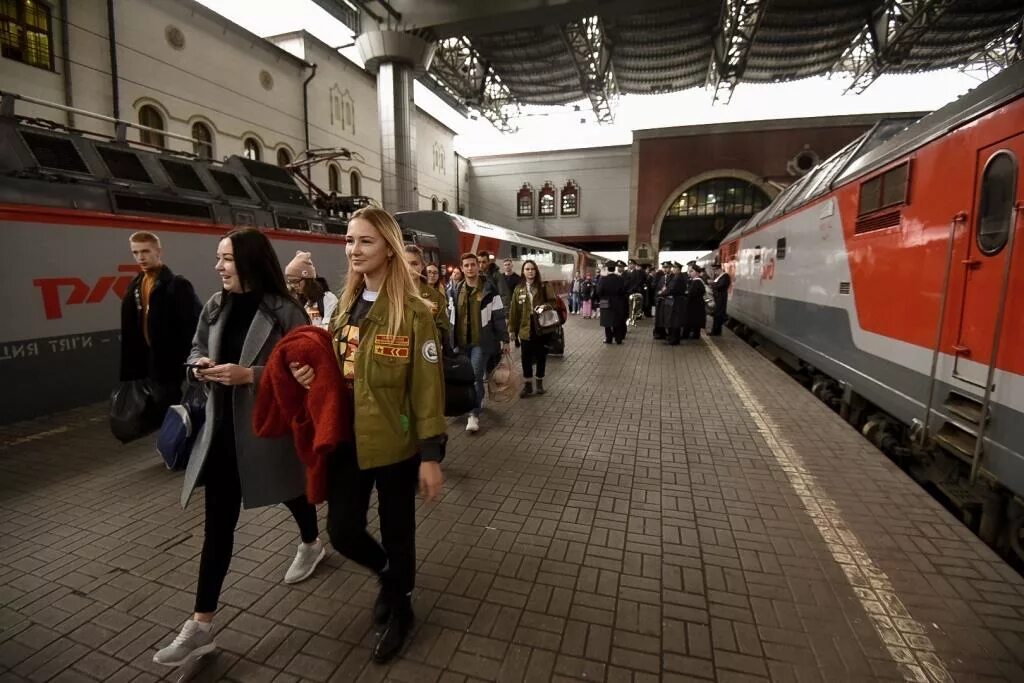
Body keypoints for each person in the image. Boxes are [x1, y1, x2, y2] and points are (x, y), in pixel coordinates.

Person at [154, 229, 322, 668]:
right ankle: (201, 627)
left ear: (249, 261)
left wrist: (251, 376)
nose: (218, 267)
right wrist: (197, 366)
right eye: (218, 258)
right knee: (217, 528)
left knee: (291, 492)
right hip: (221, 434)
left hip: (267, 429)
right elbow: (195, 347)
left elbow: (308, 369)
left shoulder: (285, 310)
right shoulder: (215, 305)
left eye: (226, 259)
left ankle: (311, 542)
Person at [290, 207, 447, 663]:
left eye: (365, 241)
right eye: (349, 240)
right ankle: (390, 578)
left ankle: (401, 610)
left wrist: (430, 454)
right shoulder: (344, 307)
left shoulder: (415, 313)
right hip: (347, 439)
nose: (353, 250)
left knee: (398, 532)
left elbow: (427, 388)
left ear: (389, 249)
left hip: (396, 442)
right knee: (342, 531)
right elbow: (336, 368)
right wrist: (310, 376)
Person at [119, 231, 201, 409]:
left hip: (171, 364)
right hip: (147, 364)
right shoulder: (136, 285)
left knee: (171, 410)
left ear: (158, 251)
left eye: (145, 251)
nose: (140, 257)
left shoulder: (177, 285)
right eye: (135, 252)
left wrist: (189, 363)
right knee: (156, 410)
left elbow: (194, 326)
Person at [452, 251, 510, 433]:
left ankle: (473, 414)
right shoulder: (456, 290)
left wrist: (505, 339)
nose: (470, 268)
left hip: (481, 341)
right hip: (462, 342)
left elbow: (498, 316)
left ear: (478, 266)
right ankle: (476, 400)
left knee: (475, 375)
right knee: (466, 377)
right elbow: (451, 317)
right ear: (462, 268)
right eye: (466, 265)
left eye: (473, 264)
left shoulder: (489, 290)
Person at [508, 260, 557, 398]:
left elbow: (553, 302)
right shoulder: (518, 289)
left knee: (541, 355)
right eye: (527, 269)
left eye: (532, 269)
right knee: (526, 357)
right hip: (525, 327)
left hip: (541, 326)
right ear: (523, 272)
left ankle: (539, 384)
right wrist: (512, 330)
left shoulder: (544, 286)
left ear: (536, 271)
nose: (530, 271)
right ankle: (528, 386)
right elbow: (514, 311)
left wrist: (544, 306)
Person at [403, 245, 450, 338]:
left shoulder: (435, 296)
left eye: (414, 264)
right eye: (405, 263)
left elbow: (443, 328)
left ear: (422, 266)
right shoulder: (391, 294)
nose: (409, 268)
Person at [285, 250, 337, 329]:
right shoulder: (299, 301)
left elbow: (329, 328)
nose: (294, 285)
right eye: (291, 282)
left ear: (308, 279)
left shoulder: (328, 299)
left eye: (296, 281)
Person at [596, 261, 628, 344]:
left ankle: (609, 339)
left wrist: (603, 297)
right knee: (617, 321)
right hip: (618, 302)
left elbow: (599, 291)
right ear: (615, 269)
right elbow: (623, 291)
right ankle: (618, 339)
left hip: (605, 301)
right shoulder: (620, 279)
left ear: (607, 269)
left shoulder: (603, 279)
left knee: (606, 321)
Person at [681, 264, 708, 340]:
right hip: (697, 305)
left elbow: (691, 294)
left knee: (690, 320)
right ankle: (695, 335)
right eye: (689, 271)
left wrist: (686, 293)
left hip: (694, 305)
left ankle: (687, 335)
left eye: (691, 271)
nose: (690, 273)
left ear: (697, 272)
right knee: (695, 321)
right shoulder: (697, 281)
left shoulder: (697, 282)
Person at [665, 262, 689, 345]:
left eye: (674, 268)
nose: (673, 269)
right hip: (677, 301)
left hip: (677, 302)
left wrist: (663, 293)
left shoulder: (677, 278)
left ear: (678, 269)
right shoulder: (678, 277)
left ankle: (674, 339)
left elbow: (672, 289)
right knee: (675, 320)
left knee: (675, 321)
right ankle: (674, 338)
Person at [709, 264, 731, 336]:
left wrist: (712, 284)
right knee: (716, 315)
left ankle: (716, 331)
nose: (715, 272)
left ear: (719, 269)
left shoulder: (725, 276)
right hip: (718, 298)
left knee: (718, 315)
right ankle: (716, 331)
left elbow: (720, 286)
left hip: (721, 299)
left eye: (715, 270)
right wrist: (713, 284)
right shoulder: (719, 277)